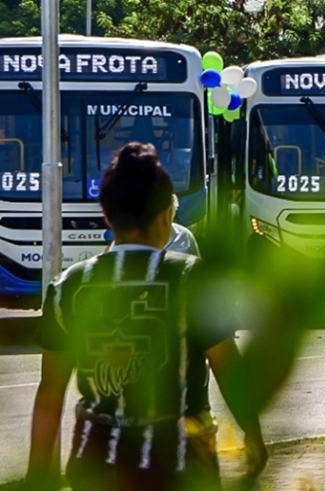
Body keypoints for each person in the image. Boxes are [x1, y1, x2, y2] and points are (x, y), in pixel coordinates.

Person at [26, 142, 267, 491]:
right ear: (167, 216)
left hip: (95, 464)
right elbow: (227, 367)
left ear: (108, 216)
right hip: (182, 464)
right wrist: (253, 432)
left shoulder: (68, 287)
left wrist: (36, 475)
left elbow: (50, 392)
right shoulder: (194, 279)